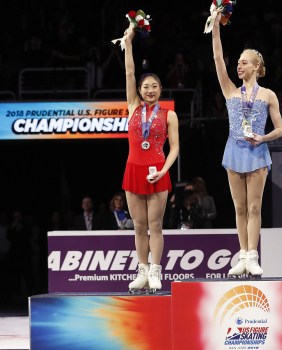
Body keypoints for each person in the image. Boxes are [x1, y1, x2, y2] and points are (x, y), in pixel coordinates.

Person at [211, 11, 282, 278]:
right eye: (238, 63)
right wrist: (216, 27)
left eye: (244, 63)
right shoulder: (230, 90)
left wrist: (262, 138)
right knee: (239, 208)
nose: (239, 66)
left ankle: (253, 255)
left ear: (255, 67)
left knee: (254, 207)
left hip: (257, 151)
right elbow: (218, 58)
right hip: (233, 150)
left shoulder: (268, 95)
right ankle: (242, 255)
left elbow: (280, 129)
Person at [121, 25, 180, 293]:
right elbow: (130, 71)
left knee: (155, 225)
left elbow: (175, 149)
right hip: (133, 170)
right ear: (140, 90)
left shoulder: (169, 115)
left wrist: (163, 171)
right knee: (139, 226)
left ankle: (156, 272)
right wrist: (129, 41)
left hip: (158, 170)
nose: (150, 89)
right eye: (146, 86)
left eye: (155, 86)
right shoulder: (133, 107)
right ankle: (142, 271)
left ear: (160, 89)